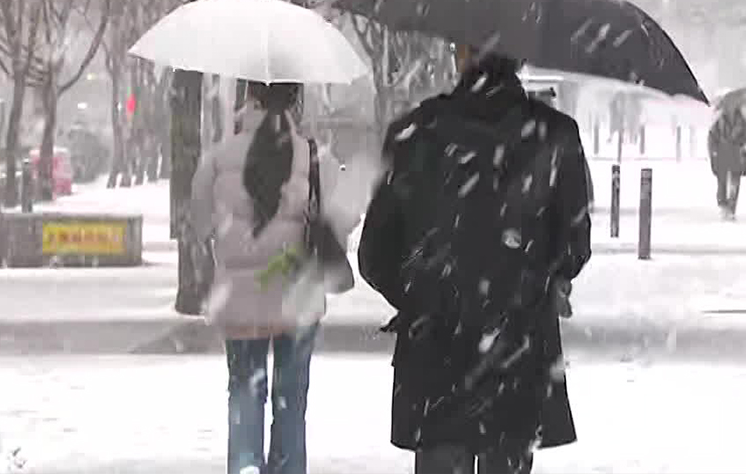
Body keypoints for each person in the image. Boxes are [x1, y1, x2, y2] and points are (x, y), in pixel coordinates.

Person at [358, 46, 592, 474]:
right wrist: (534, 281)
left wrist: (422, 298)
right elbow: (574, 246)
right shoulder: (554, 136)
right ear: (518, 59)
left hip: (435, 360)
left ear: (461, 55)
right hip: (518, 355)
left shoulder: (415, 134)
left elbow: (375, 255)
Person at [191, 81, 358, 474]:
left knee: (245, 397)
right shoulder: (317, 159)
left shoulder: (217, 158)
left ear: (248, 98)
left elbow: (199, 223)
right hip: (297, 296)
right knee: (291, 401)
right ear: (296, 100)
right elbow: (343, 223)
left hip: (240, 298)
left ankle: (246, 467)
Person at [707, 106, 746, 220]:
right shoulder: (719, 121)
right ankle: (723, 206)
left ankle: (731, 209)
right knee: (722, 183)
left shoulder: (742, 122)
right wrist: (714, 152)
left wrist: (745, 147)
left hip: (736, 156)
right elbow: (711, 137)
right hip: (723, 156)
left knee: (734, 184)